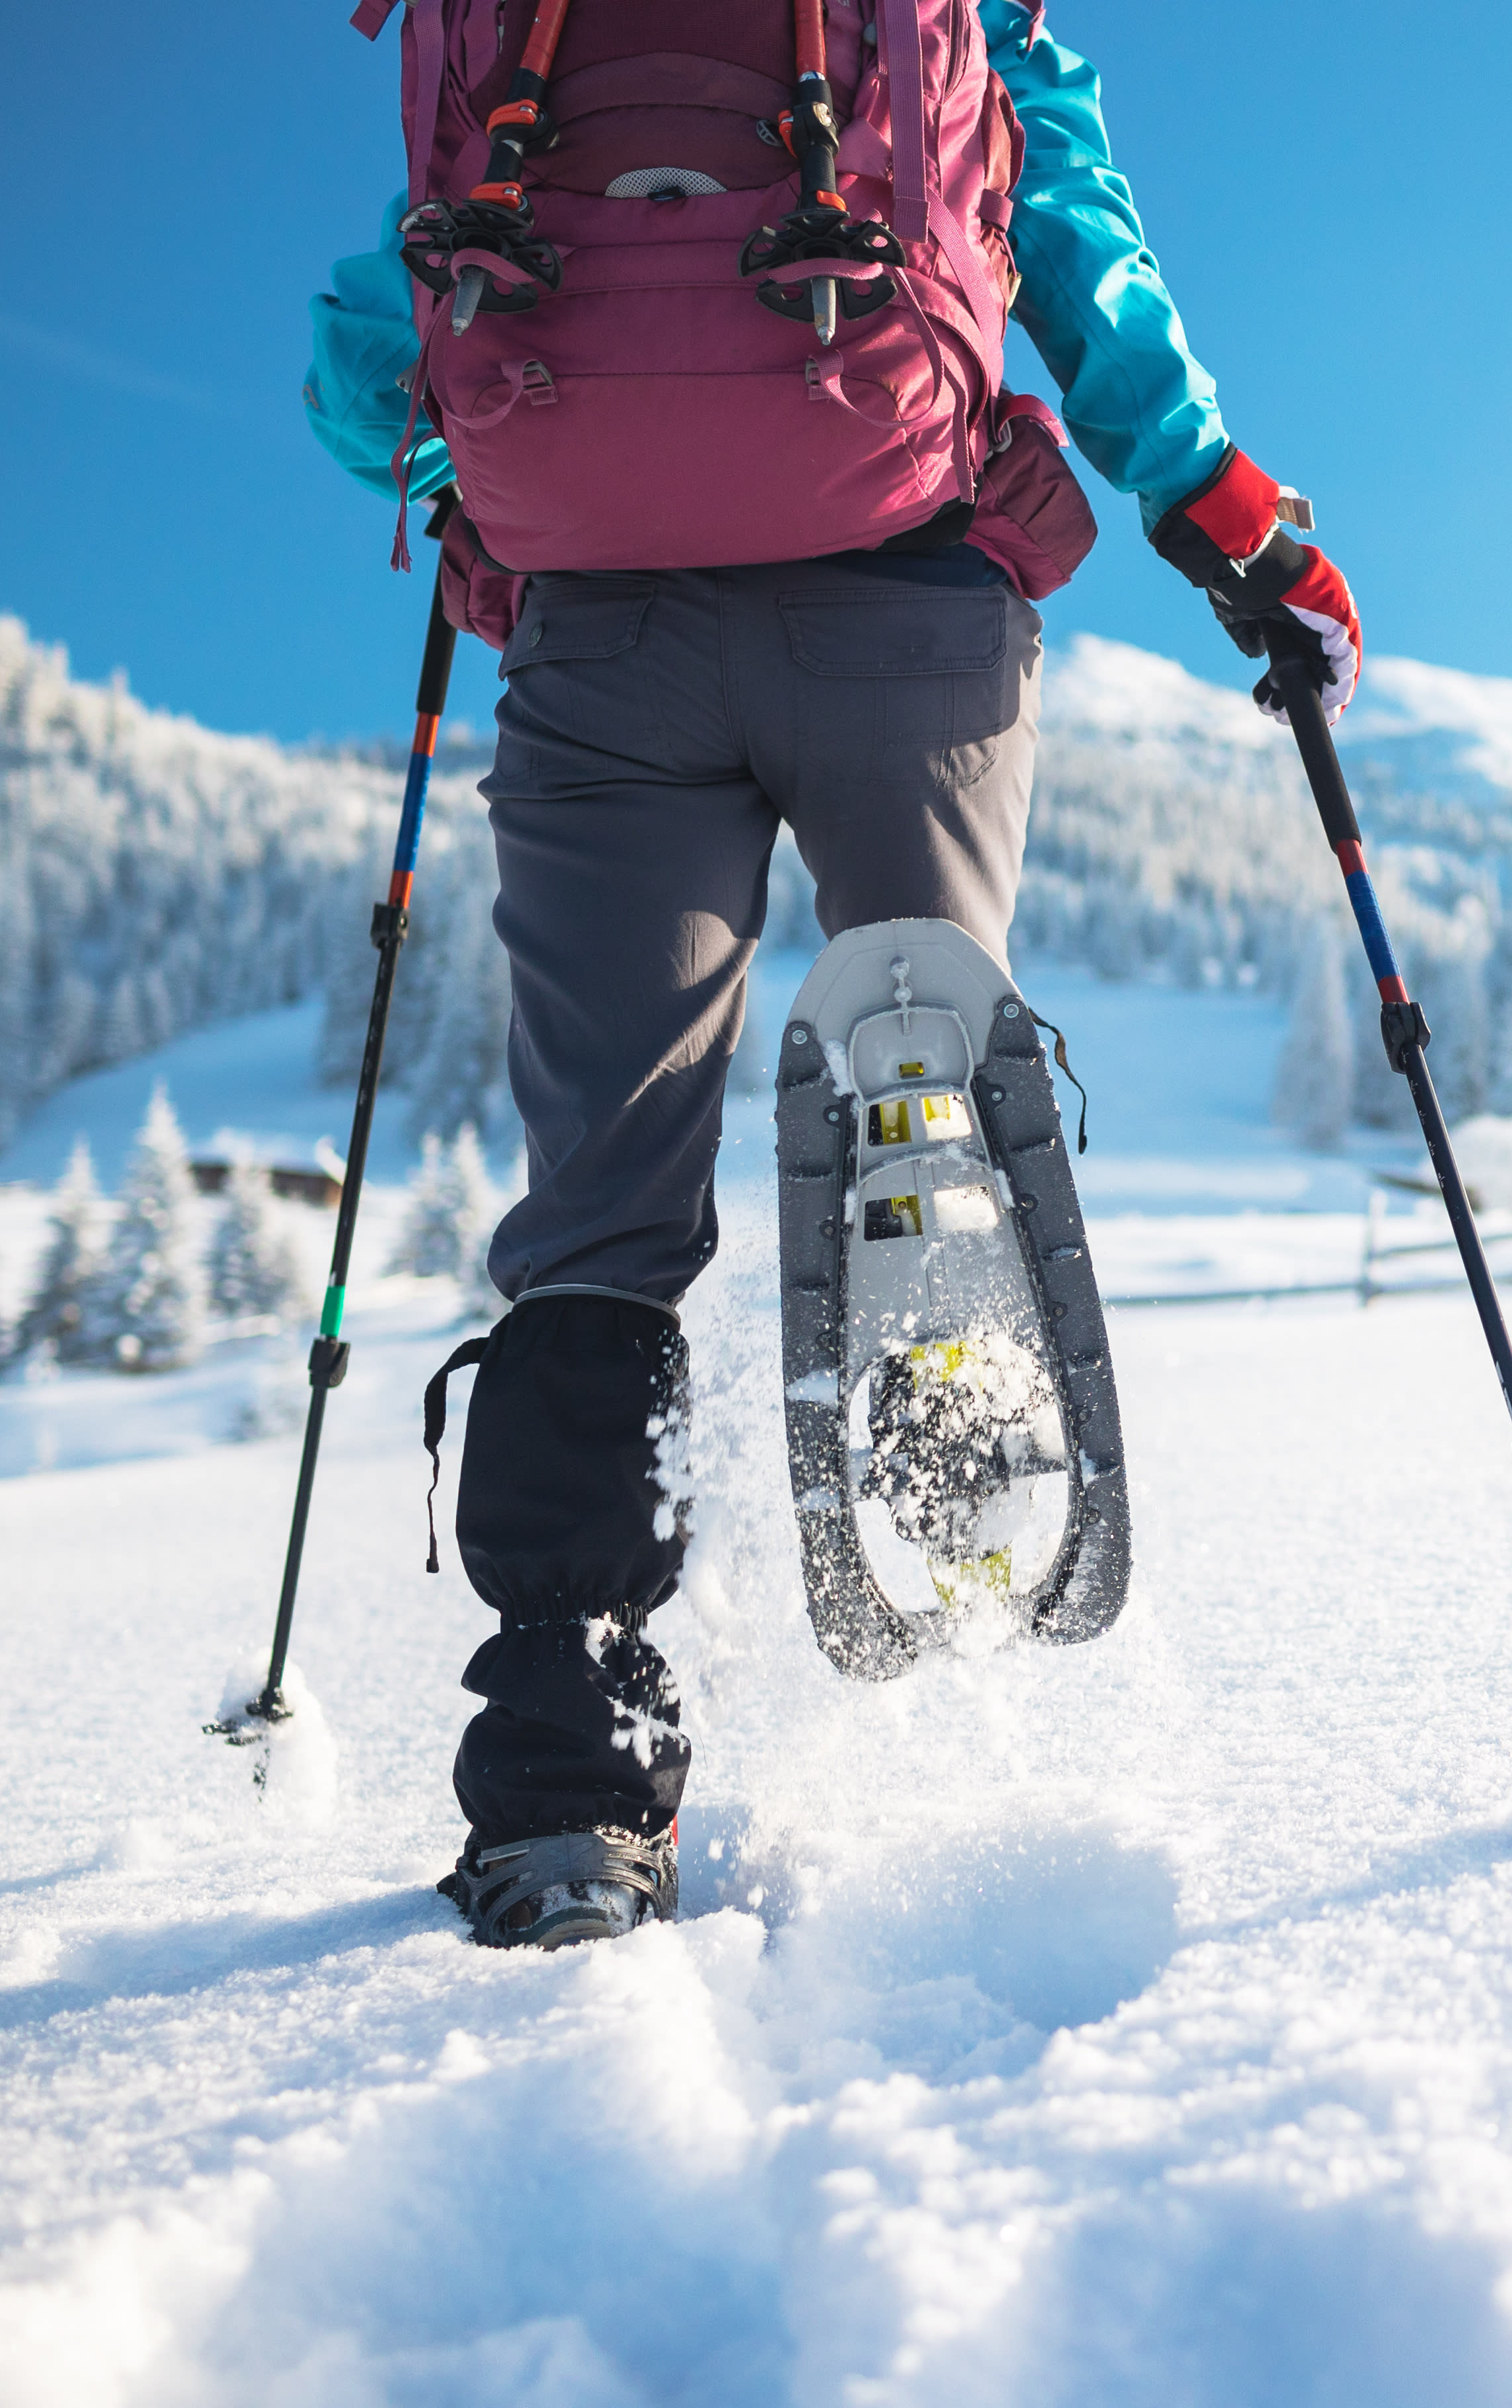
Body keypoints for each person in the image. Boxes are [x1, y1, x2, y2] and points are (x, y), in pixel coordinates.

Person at [302, 0, 1359, 1949]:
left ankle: (566, 1781)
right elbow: (1073, 249)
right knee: (933, 1104)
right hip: (907, 607)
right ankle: (963, 1601)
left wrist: (469, 485)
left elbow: (366, 346)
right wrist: (1220, 508)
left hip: (604, 645)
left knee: (603, 1212)